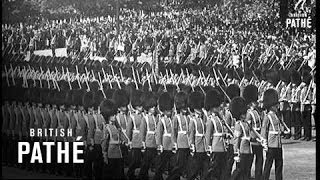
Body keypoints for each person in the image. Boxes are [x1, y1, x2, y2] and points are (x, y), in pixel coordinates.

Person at [204, 89, 229, 180]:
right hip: (215, 147)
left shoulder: (219, 119)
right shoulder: (211, 120)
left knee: (222, 169)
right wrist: (208, 147)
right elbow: (208, 135)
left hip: (222, 147)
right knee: (214, 169)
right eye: (216, 106)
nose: (219, 107)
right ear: (212, 107)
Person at [261, 89, 284, 180]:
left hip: (278, 144)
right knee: (268, 165)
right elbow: (264, 130)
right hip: (271, 144)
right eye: (275, 105)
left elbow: (279, 128)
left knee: (279, 165)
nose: (277, 107)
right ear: (271, 106)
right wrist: (265, 143)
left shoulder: (277, 116)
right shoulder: (267, 117)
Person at [167, 91, 190, 180]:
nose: (185, 108)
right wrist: (174, 143)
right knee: (179, 164)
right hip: (180, 143)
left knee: (185, 164)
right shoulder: (176, 117)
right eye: (183, 107)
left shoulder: (188, 117)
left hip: (187, 142)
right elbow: (174, 131)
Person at [101, 99, 126, 179]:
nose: (115, 116)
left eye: (115, 114)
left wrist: (124, 141)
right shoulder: (107, 127)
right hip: (111, 153)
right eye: (112, 115)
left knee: (118, 172)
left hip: (118, 152)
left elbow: (120, 135)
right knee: (110, 172)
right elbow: (104, 142)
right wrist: (104, 154)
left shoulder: (116, 126)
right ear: (108, 116)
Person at [187, 91, 209, 180]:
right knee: (195, 168)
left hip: (204, 146)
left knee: (204, 168)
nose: (200, 111)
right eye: (199, 109)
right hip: (197, 146)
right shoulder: (193, 120)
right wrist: (192, 146)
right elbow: (191, 135)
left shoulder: (203, 118)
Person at [243, 84, 263, 180]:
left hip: (258, 138)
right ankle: (247, 176)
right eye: (255, 101)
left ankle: (259, 176)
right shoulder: (248, 113)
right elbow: (248, 128)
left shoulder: (257, 111)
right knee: (250, 160)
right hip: (252, 139)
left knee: (260, 159)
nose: (257, 103)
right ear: (251, 103)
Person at [154, 91, 174, 180]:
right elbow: (159, 134)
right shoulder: (161, 121)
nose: (169, 112)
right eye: (167, 110)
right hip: (165, 144)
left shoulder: (172, 119)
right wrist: (159, 145)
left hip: (171, 144)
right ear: (164, 110)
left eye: (170, 110)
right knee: (161, 163)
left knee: (172, 163)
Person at [139, 91, 158, 180]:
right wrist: (143, 143)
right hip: (148, 142)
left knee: (157, 162)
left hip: (155, 142)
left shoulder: (156, 117)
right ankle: (142, 176)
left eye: (154, 106)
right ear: (148, 107)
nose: (154, 108)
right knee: (146, 162)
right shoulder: (145, 118)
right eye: (151, 107)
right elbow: (142, 132)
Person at [127, 89, 144, 180]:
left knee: (143, 160)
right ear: (136, 106)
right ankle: (130, 173)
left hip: (143, 140)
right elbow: (129, 130)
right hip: (136, 140)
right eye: (140, 106)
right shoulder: (132, 116)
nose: (142, 107)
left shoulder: (144, 115)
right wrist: (129, 140)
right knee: (135, 160)